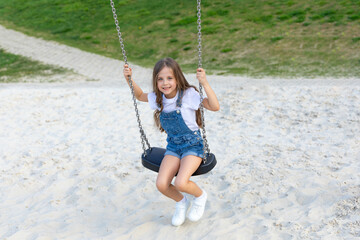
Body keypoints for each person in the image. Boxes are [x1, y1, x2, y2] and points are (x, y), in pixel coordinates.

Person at [123, 57, 220, 226]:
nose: (165, 83)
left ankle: (200, 196)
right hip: (174, 147)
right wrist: (128, 78)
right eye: (160, 79)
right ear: (156, 81)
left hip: (193, 145)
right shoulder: (158, 97)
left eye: (169, 78)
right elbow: (139, 95)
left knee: (181, 182)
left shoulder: (188, 94)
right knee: (161, 184)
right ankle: (181, 202)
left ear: (177, 78)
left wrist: (204, 82)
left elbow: (214, 106)